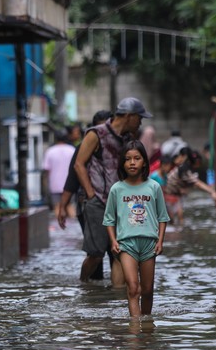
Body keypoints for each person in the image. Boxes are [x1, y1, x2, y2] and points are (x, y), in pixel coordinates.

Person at [74, 97, 153, 287]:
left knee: (120, 252)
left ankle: (117, 297)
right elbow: (78, 164)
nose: (140, 122)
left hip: (122, 203)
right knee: (96, 254)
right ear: (129, 116)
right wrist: (91, 194)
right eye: (139, 118)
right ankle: (83, 285)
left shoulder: (128, 139)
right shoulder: (96, 134)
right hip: (98, 202)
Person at [103, 140, 170, 317]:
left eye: (137, 158)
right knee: (133, 289)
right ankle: (134, 334)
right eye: (128, 159)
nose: (132, 163)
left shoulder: (154, 187)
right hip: (126, 245)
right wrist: (113, 241)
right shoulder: (117, 189)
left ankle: (146, 326)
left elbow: (163, 217)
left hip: (149, 243)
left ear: (144, 162)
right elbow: (109, 219)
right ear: (122, 163)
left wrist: (160, 241)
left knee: (147, 290)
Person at [56, 109, 112, 281]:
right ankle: (91, 288)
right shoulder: (84, 146)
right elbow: (72, 178)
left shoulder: (117, 145)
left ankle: (114, 294)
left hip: (113, 202)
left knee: (115, 250)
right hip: (89, 203)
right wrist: (63, 207)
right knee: (96, 251)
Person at [164, 147, 216, 223]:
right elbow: (197, 183)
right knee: (177, 219)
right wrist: (212, 192)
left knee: (177, 219)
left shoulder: (185, 168)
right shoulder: (185, 170)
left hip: (174, 194)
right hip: (171, 195)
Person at [42, 132, 75, 210]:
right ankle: (74, 222)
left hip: (55, 184)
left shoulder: (50, 151)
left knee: (57, 206)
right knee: (70, 206)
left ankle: (59, 222)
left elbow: (47, 169)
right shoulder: (72, 150)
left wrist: (46, 184)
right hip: (69, 183)